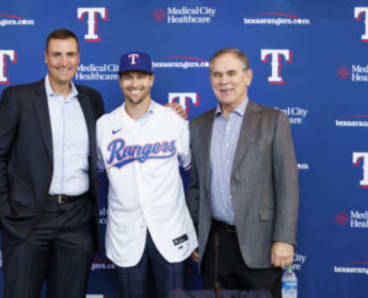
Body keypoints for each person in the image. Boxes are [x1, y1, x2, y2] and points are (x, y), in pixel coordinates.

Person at [0, 28, 104, 298]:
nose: (64, 61)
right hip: (29, 219)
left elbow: (121, 132)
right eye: (56, 54)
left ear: (79, 58)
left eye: (70, 54)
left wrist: (164, 115)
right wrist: (5, 213)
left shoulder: (91, 99)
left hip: (77, 218)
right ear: (45, 58)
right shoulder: (18, 98)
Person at [188, 48, 299, 298]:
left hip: (261, 243)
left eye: (231, 73)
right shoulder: (197, 125)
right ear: (210, 80)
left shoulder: (274, 120)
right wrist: (196, 234)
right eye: (217, 74)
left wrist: (284, 239)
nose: (224, 81)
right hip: (214, 244)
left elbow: (287, 185)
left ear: (247, 76)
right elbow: (195, 187)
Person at [96, 51, 198, 298]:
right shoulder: (104, 125)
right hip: (126, 231)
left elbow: (190, 166)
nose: (134, 84)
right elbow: (98, 167)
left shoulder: (173, 121)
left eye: (141, 76)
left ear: (151, 79)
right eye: (128, 77)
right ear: (120, 81)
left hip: (170, 228)